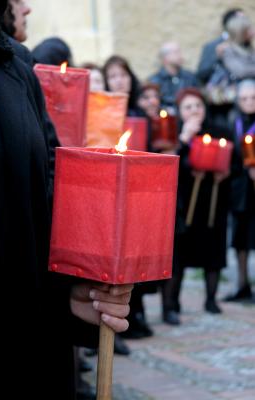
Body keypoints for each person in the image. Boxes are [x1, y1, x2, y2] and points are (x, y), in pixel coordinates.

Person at [0, 2, 132, 399]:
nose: (27, 6)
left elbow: (39, 197)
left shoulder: (14, 65)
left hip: (25, 350)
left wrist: (65, 293)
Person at [165, 88, 235, 319]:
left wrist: (225, 173)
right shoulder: (173, 135)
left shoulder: (221, 132)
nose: (194, 110)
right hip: (185, 203)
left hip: (213, 200)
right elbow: (169, 164)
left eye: (198, 106)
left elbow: (236, 163)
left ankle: (211, 299)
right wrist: (184, 141)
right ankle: (172, 303)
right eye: (188, 107)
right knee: (181, 255)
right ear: (180, 111)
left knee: (213, 252)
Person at [103, 55, 154, 338]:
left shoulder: (140, 113)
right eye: (113, 76)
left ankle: (141, 311)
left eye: (123, 75)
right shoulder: (103, 114)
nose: (119, 80)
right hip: (113, 193)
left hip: (140, 192)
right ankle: (121, 319)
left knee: (139, 254)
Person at [224, 80, 255, 301]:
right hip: (239, 189)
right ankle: (242, 285)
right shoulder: (233, 121)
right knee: (240, 237)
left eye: (253, 97)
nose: (248, 102)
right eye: (244, 98)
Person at [197, 8, 244, 84]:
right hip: (220, 91)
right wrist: (218, 58)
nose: (246, 23)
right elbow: (202, 75)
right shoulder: (212, 46)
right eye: (242, 20)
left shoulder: (246, 45)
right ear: (230, 23)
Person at [148, 42, 198, 112]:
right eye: (176, 52)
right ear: (165, 57)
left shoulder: (190, 77)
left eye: (179, 52)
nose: (180, 56)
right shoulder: (155, 80)